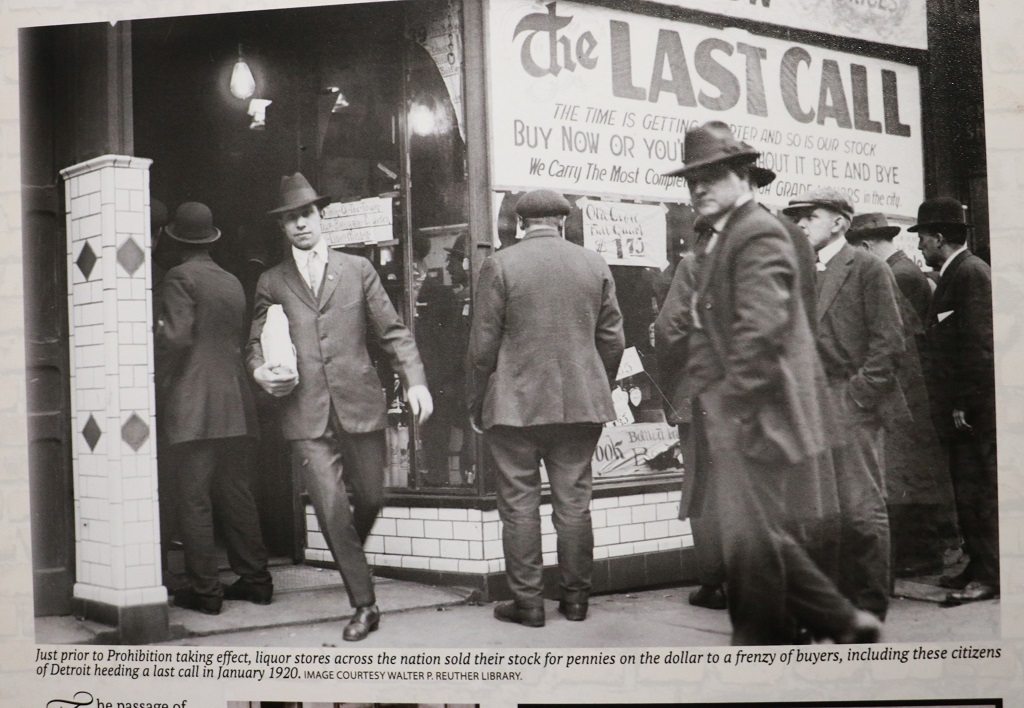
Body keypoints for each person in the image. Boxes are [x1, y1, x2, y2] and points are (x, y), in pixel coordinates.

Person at [655, 121, 879, 645]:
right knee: (754, 534)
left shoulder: (756, 233)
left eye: (710, 177)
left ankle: (797, 633)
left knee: (752, 537)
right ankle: (830, 623)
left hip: (759, 414)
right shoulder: (727, 237)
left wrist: (730, 403)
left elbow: (761, 329)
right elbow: (709, 329)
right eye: (691, 181)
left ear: (742, 176)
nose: (698, 189)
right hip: (750, 412)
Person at [247, 173, 433, 641]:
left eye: (306, 214)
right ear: (282, 227)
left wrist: (415, 381)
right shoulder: (272, 281)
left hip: (359, 404)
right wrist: (260, 370)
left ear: (320, 216)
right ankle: (365, 604)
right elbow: (255, 343)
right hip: (304, 412)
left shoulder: (357, 269)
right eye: (290, 219)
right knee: (331, 507)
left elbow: (392, 331)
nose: (299, 224)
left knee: (370, 497)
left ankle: (349, 555)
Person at [467, 188, 625, 627]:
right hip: (580, 406)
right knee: (573, 504)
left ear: (521, 223)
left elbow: (482, 346)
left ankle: (529, 605)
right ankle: (576, 601)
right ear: (562, 221)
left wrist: (477, 401)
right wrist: (596, 384)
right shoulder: (594, 263)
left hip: (514, 407)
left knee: (519, 505)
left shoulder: (500, 265)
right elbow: (613, 339)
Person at [782, 190, 908, 622]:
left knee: (862, 510)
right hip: (809, 405)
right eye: (796, 218)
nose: (800, 224)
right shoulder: (802, 271)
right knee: (819, 512)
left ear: (839, 222)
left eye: (810, 216)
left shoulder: (867, 268)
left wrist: (856, 397)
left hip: (851, 404)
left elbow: (889, 344)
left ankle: (870, 605)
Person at [154, 202, 272, 615]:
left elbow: (177, 338)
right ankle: (256, 580)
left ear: (174, 239)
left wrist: (158, 375)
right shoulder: (232, 280)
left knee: (194, 497)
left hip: (194, 404)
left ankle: (206, 591)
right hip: (235, 402)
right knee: (236, 492)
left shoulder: (178, 276)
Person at [845, 213, 954, 578]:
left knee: (910, 473)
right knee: (909, 472)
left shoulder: (896, 276)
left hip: (907, 388)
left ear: (864, 246)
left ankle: (922, 553)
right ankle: (922, 550)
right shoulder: (902, 270)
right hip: (909, 385)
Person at [911, 196, 999, 604]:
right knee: (966, 489)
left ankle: (991, 573)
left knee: (978, 489)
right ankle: (978, 565)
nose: (920, 246)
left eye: (923, 238)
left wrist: (965, 400)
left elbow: (980, 345)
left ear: (939, 238)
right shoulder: (958, 272)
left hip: (974, 409)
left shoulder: (970, 273)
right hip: (962, 407)